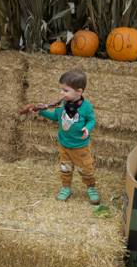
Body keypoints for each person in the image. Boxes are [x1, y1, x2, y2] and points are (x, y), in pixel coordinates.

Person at [21, 69, 100, 204]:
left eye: (65, 90)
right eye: (61, 89)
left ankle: (91, 187)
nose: (61, 93)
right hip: (64, 145)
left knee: (86, 169)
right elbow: (55, 117)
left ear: (79, 92)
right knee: (65, 168)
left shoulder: (86, 107)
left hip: (80, 147)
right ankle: (66, 188)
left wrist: (87, 128)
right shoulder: (63, 106)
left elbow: (91, 120)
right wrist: (40, 112)